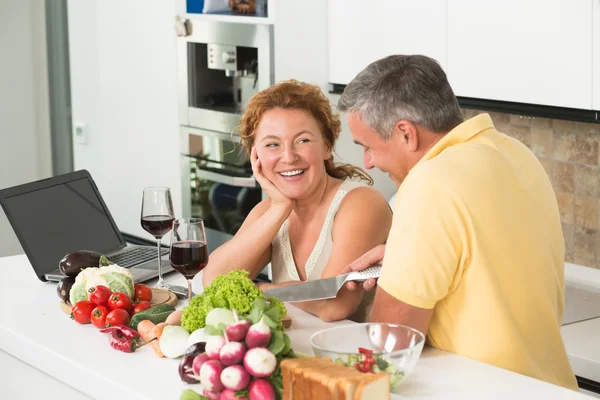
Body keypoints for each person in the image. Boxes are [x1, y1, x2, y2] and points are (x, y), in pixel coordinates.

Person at [338, 55, 578, 390]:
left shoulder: (428, 185)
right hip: (549, 387)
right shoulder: (514, 152)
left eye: (368, 148)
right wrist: (405, 256)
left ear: (405, 133)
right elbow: (481, 252)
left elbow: (390, 343)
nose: (369, 162)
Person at [201, 79, 392, 322]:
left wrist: (263, 290)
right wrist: (280, 207)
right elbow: (214, 282)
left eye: (303, 140)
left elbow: (334, 305)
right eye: (272, 144)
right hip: (299, 352)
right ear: (256, 157)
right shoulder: (270, 212)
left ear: (326, 146)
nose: (289, 157)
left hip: (363, 354)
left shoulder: (361, 204)